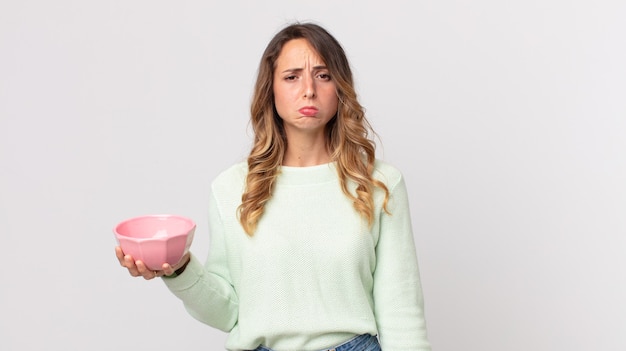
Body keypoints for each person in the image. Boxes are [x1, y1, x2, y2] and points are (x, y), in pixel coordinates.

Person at [115, 22, 432, 351]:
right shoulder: (232, 188)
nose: (308, 89)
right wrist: (178, 269)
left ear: (340, 87)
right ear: (272, 90)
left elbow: (401, 311)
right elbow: (228, 312)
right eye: (292, 76)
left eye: (323, 75)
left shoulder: (379, 183)